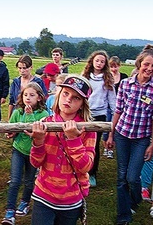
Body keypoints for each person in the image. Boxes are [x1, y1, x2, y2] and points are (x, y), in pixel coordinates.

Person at [29, 75, 96, 225]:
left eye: (76, 98)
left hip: (71, 198)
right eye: (65, 94)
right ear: (59, 95)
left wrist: (73, 139)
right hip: (44, 194)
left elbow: (85, 167)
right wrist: (38, 141)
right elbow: (35, 163)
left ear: (82, 104)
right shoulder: (45, 123)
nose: (69, 100)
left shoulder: (88, 129)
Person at [106, 44, 153, 225]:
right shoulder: (126, 84)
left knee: (133, 177)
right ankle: (124, 215)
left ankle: (136, 198)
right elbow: (118, 111)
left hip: (141, 139)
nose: (149, 69)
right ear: (139, 64)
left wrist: (152, 144)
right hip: (122, 135)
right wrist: (111, 135)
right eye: (147, 64)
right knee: (121, 177)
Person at [2, 82, 49, 225]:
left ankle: (24, 202)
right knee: (15, 181)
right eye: (25, 95)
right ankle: (10, 211)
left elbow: (37, 130)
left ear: (39, 98)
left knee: (29, 181)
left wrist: (29, 118)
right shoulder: (18, 112)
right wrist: (11, 133)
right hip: (19, 149)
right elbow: (12, 127)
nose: (28, 98)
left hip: (34, 152)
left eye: (32, 95)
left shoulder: (44, 114)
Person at [82, 50, 116, 187]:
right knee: (80, 142)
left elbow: (112, 100)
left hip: (99, 115)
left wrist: (114, 115)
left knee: (93, 146)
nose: (99, 63)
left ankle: (92, 173)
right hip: (84, 114)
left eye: (102, 61)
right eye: (97, 60)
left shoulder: (107, 79)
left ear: (105, 64)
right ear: (92, 61)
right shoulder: (85, 77)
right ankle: (80, 170)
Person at [102, 56, 128, 159]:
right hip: (107, 107)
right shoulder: (106, 77)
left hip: (119, 108)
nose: (113, 69)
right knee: (106, 129)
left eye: (115, 66)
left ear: (119, 66)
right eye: (111, 66)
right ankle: (106, 147)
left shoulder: (124, 77)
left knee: (115, 129)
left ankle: (111, 149)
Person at [8, 55, 48, 119]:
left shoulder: (38, 82)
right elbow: (11, 101)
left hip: (35, 114)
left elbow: (44, 99)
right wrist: (9, 117)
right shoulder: (15, 82)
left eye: (25, 68)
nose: (22, 71)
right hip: (18, 114)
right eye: (20, 68)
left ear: (31, 67)